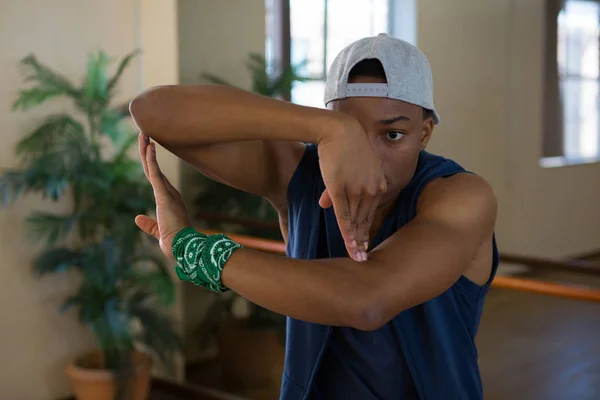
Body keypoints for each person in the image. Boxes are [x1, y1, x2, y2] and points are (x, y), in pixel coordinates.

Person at [130, 33, 498, 400]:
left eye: (393, 135)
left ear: (425, 133)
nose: (366, 159)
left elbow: (367, 299)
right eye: (352, 134)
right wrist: (327, 129)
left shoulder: (461, 197)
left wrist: (192, 251)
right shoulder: (299, 173)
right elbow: (152, 111)